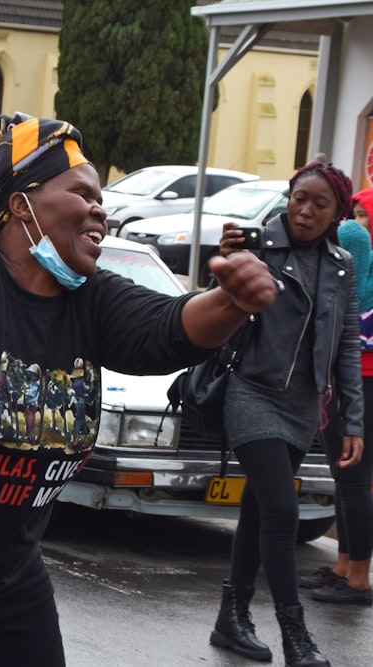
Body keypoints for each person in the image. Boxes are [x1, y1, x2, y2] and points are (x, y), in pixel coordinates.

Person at [0, 114, 278, 666]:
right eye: (82, 192)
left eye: (101, 197)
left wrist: (231, 302)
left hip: (6, 579)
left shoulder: (92, 298)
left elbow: (168, 330)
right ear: (21, 205)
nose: (99, 209)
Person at [209, 159, 362, 667]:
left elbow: (344, 351)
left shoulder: (342, 265)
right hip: (252, 393)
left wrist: (353, 421)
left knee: (257, 513)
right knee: (282, 511)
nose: (306, 210)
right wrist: (227, 262)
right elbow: (217, 304)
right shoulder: (259, 248)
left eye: (321, 204)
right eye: (300, 198)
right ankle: (295, 633)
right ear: (288, 197)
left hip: (303, 408)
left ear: (338, 211)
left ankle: (231, 618)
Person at [297, 200, 373, 606]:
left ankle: (358, 577)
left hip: (361, 380)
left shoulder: (351, 244)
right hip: (346, 380)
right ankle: (344, 565)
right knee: (344, 478)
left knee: (354, 479)